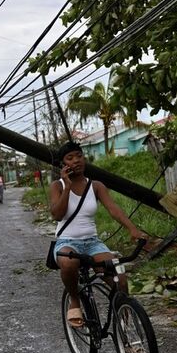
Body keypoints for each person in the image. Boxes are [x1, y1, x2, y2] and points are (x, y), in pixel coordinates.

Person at [49, 141, 145, 328]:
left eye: (79, 155)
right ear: (64, 165)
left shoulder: (96, 186)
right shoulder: (57, 186)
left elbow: (113, 209)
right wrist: (67, 187)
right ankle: (75, 300)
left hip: (93, 243)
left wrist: (132, 229)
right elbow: (57, 214)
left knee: (120, 280)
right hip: (67, 243)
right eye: (70, 158)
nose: (76, 160)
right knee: (69, 264)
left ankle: (124, 331)